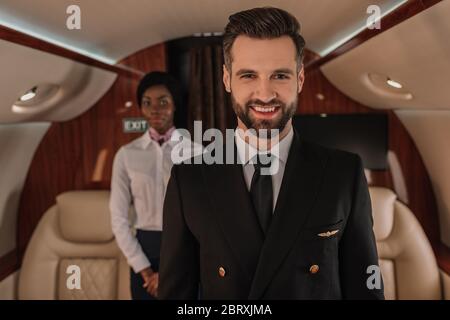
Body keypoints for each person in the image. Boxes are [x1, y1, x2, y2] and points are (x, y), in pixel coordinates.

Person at [159, 7, 384, 299]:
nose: (265, 94)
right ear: (227, 79)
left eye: (279, 75)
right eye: (249, 75)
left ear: (300, 79)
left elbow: (365, 289)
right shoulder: (188, 181)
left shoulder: (344, 173)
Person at [110, 71, 200, 300]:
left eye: (163, 102)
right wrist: (146, 270)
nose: (155, 109)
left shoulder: (197, 153)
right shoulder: (126, 155)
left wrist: (172, 271)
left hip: (185, 247)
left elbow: (204, 219)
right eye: (147, 103)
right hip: (144, 251)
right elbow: (118, 219)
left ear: (175, 106)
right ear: (141, 108)